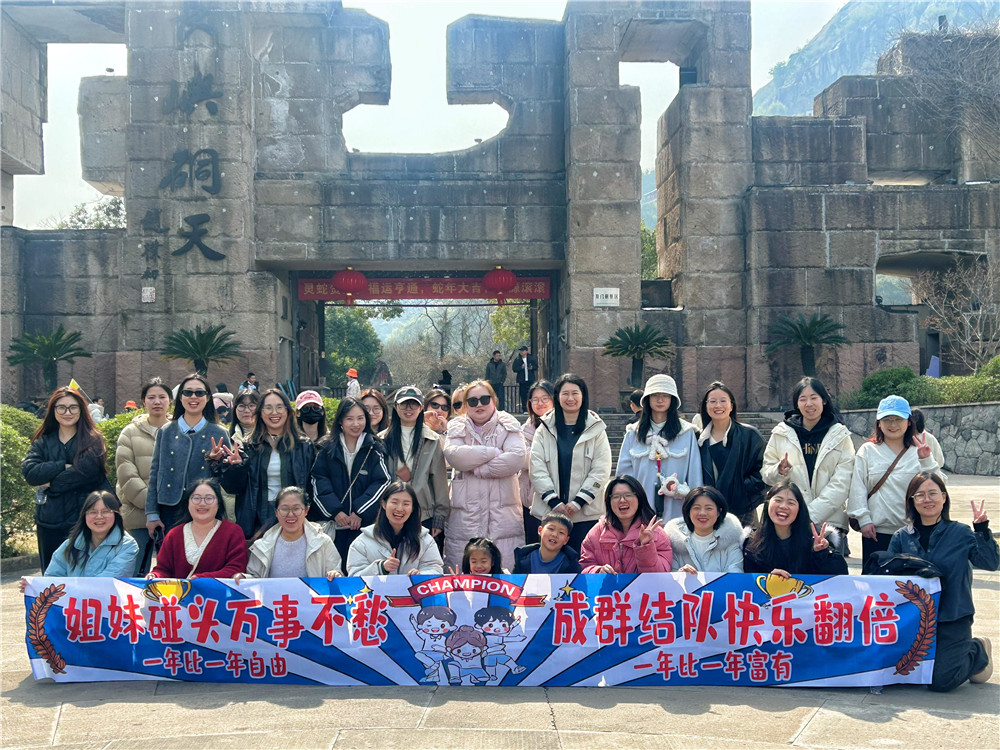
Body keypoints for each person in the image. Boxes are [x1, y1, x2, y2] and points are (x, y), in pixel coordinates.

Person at [887, 472, 998, 691]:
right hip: (913, 619)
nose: (927, 499)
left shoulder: (961, 533)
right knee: (898, 672)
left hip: (952, 617)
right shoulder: (901, 537)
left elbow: (991, 563)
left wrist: (982, 530)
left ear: (944, 497)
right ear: (912, 501)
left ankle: (976, 649)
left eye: (933, 493)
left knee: (941, 681)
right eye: (920, 495)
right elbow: (886, 578)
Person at [762, 377, 855, 555]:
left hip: (829, 525)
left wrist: (807, 516)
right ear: (797, 403)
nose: (809, 404)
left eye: (814, 398)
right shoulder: (782, 433)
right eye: (803, 399)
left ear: (824, 400)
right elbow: (766, 473)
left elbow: (843, 483)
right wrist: (778, 471)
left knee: (829, 571)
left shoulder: (840, 436)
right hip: (787, 524)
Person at [22, 387, 111, 571]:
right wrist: (62, 465)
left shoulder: (93, 440)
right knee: (52, 580)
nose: (67, 412)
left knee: (85, 580)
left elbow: (85, 472)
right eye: (61, 407)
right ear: (53, 410)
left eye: (73, 407)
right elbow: (31, 473)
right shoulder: (43, 441)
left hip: (86, 522)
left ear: (81, 410)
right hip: (49, 522)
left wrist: (50, 482)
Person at [442, 380, 526, 570]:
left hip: (503, 518)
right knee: (462, 576)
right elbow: (455, 456)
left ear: (493, 400)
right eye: (472, 401)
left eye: (484, 399)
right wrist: (494, 452)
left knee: (505, 576)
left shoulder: (508, 424)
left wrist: (479, 468)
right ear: (466, 405)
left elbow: (516, 458)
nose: (479, 405)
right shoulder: (456, 426)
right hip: (465, 518)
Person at [847, 395, 941, 562]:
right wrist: (864, 520)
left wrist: (926, 460)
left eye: (898, 419)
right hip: (876, 532)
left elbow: (938, 489)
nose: (893, 425)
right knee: (876, 577)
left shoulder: (918, 451)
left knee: (912, 577)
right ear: (879, 423)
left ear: (909, 422)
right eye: (887, 420)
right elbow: (857, 487)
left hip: (914, 532)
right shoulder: (867, 450)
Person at [529, 374, 612, 551]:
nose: (570, 398)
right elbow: (537, 468)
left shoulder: (596, 429)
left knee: (584, 561)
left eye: (575, 393)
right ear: (557, 397)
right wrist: (554, 502)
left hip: (586, 515)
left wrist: (578, 502)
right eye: (565, 393)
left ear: (583, 396)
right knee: (551, 563)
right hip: (550, 513)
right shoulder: (544, 428)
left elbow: (601, 470)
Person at [219, 388, 316, 539]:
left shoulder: (303, 446)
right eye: (268, 408)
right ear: (260, 412)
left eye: (279, 407)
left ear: (287, 411)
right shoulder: (248, 446)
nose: (274, 413)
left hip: (293, 515)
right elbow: (233, 488)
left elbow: (311, 485)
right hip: (258, 517)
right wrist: (236, 468)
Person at [309, 396, 392, 569]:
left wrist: (359, 512)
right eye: (349, 419)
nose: (356, 424)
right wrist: (336, 512)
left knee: (360, 571)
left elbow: (382, 482)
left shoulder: (374, 447)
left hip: (363, 526)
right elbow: (318, 480)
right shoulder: (326, 448)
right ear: (340, 421)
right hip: (333, 527)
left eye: (360, 418)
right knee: (333, 572)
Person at [145, 374, 231, 537]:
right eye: (188, 392)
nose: (193, 397)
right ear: (180, 397)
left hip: (205, 508)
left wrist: (216, 462)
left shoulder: (219, 433)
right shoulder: (166, 431)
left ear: (208, 398)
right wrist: (152, 513)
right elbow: (155, 473)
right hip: (169, 508)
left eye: (199, 393)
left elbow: (226, 479)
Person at [615, 374, 701, 521]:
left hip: (678, 509)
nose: (660, 400)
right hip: (640, 511)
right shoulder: (633, 433)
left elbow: (695, 473)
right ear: (647, 399)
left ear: (673, 399)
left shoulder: (686, 433)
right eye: (655, 395)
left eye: (665, 395)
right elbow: (624, 474)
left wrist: (695, 506)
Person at [19, 491, 138, 590]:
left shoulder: (128, 545)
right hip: (73, 609)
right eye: (93, 512)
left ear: (116, 515)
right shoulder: (70, 544)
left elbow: (106, 583)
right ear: (84, 516)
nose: (99, 517)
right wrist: (35, 586)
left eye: (106, 511)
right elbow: (52, 579)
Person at [116, 377, 172, 575]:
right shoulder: (129, 433)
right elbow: (126, 475)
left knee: (171, 575)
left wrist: (168, 505)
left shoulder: (178, 431)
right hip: (137, 514)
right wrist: (152, 507)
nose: (157, 402)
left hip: (172, 514)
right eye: (151, 397)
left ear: (170, 401)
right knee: (135, 573)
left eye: (162, 397)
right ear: (143, 402)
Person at [379, 386, 449, 544]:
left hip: (422, 514)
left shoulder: (432, 440)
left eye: (414, 404)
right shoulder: (382, 439)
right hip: (390, 512)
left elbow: (439, 480)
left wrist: (439, 516)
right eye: (404, 404)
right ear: (395, 407)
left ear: (421, 408)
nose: (408, 409)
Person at [696, 381, 767, 526]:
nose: (718, 405)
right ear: (705, 406)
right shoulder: (699, 440)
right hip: (708, 510)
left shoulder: (749, 435)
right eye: (712, 401)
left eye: (723, 401)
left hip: (743, 509)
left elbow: (763, 470)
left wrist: (741, 489)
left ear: (731, 405)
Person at [147, 479, 248, 579]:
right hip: (180, 590)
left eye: (209, 498)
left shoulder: (233, 532)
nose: (202, 503)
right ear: (188, 503)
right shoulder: (174, 534)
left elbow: (236, 568)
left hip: (217, 590)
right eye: (196, 498)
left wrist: (202, 579)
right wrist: (155, 575)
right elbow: (163, 570)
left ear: (218, 503)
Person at [236, 486, 342, 582]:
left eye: (296, 509)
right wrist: (244, 578)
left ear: (306, 511)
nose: (290, 514)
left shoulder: (323, 542)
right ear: (276, 512)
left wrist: (336, 575)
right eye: (284, 509)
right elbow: (254, 580)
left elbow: (336, 575)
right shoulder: (262, 546)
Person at [743, 481, 848, 576]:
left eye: (791, 503)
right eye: (778, 500)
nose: (783, 506)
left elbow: (841, 576)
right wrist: (767, 578)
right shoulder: (752, 542)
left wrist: (821, 553)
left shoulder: (815, 540)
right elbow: (746, 581)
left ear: (800, 509)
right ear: (767, 504)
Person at [346, 481, 444, 576]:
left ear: (412, 508)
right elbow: (354, 577)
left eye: (406, 504)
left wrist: (420, 575)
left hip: (414, 588)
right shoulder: (363, 542)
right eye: (394, 502)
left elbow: (436, 569)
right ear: (384, 504)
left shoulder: (425, 540)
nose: (399, 509)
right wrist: (380, 568)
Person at [579, 475, 672, 574]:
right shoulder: (595, 534)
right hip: (607, 585)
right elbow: (584, 568)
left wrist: (646, 547)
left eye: (628, 495)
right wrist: (598, 572)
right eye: (616, 496)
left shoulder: (657, 534)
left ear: (639, 498)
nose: (622, 500)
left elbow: (659, 576)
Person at [664, 486, 744, 573]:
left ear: (718, 512)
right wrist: (681, 575)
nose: (702, 513)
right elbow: (670, 577)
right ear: (688, 511)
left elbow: (736, 573)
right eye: (696, 508)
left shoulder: (731, 542)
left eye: (709, 508)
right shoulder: (675, 542)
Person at [518, 380, 554, 545]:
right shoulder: (523, 430)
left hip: (556, 499)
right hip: (529, 501)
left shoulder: (562, 428)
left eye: (545, 398)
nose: (540, 403)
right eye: (535, 399)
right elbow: (523, 459)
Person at [512, 512, 581, 574]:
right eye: (551, 529)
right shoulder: (523, 558)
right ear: (540, 530)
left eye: (561, 532)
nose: (555, 535)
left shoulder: (572, 564)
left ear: (566, 540)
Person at [512, 346, 538, 412]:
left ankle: (531, 408)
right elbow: (514, 369)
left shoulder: (531, 358)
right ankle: (524, 409)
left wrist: (532, 367)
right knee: (523, 394)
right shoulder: (517, 359)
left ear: (526, 351)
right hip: (522, 380)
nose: (521, 352)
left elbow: (536, 366)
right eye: (521, 351)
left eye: (523, 351)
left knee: (531, 394)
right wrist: (521, 367)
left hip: (530, 379)